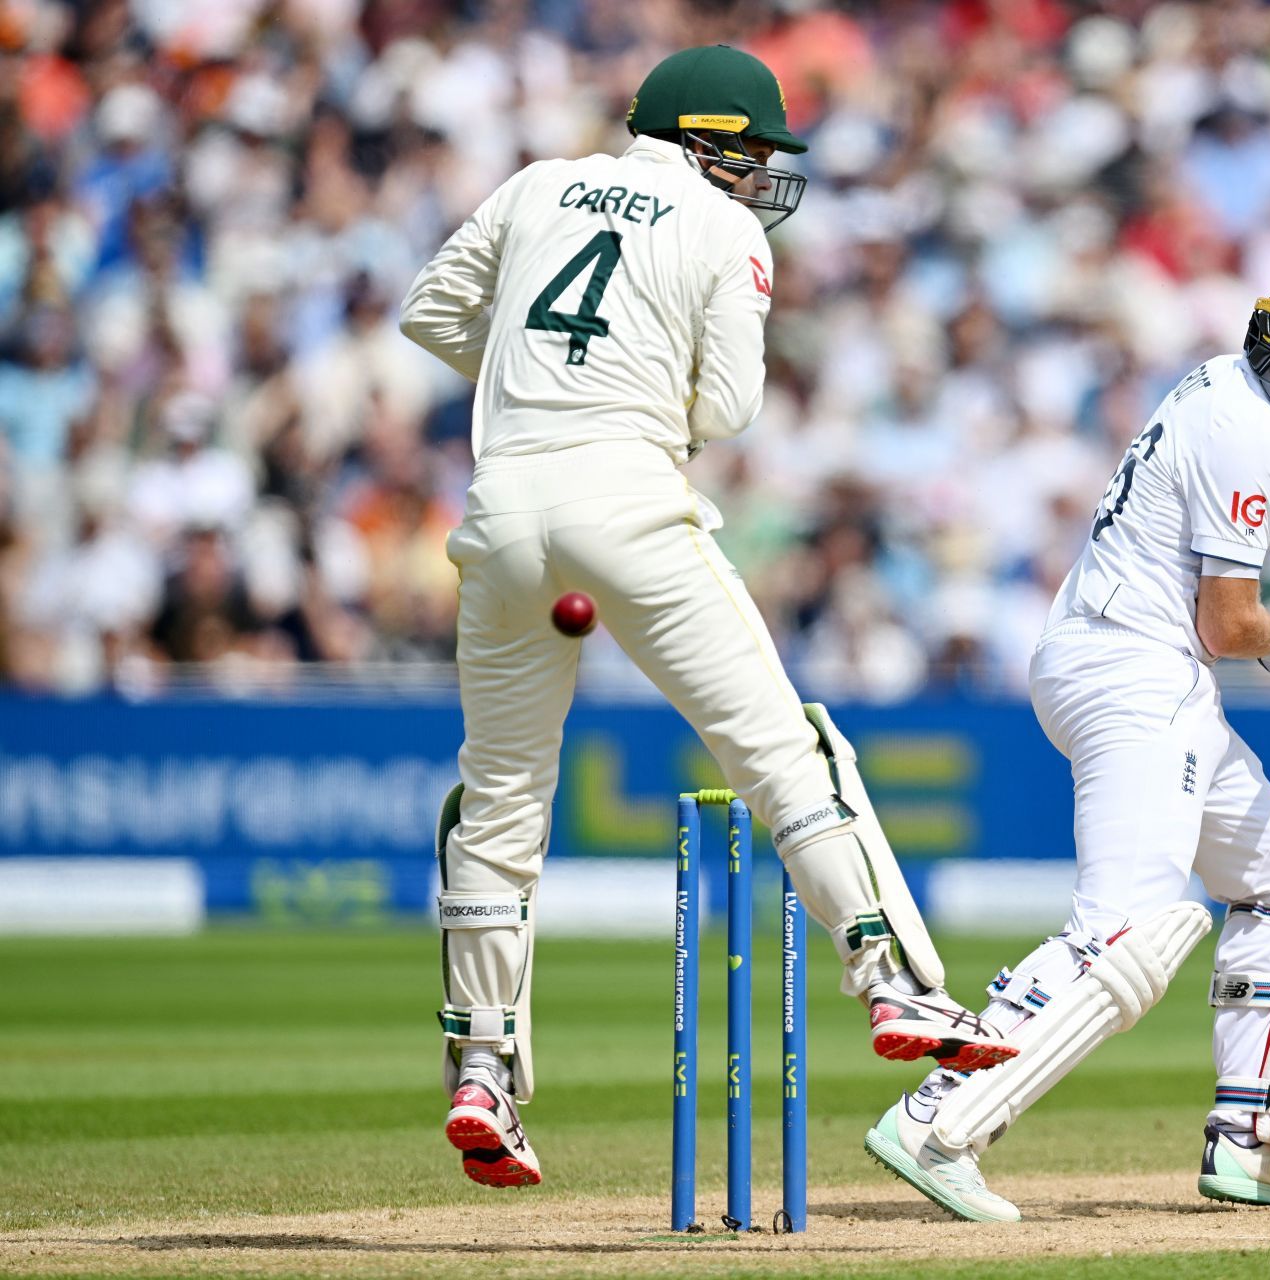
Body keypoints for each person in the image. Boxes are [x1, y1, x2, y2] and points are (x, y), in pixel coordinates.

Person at [399, 44, 1016, 1190]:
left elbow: (430, 311)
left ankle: (483, 1069)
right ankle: (891, 979)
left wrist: (545, 374)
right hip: (628, 497)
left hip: (502, 506)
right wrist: (628, 385)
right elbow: (727, 407)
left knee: (499, 798)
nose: (763, 176)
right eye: (755, 152)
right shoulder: (726, 230)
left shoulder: (537, 182)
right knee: (783, 747)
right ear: (707, 139)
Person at [863, 256, 1270, 1221]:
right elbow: (1228, 626)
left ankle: (1251, 1143)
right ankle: (940, 1114)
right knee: (1128, 931)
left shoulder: (1228, 387)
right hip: (1136, 672)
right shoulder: (1243, 421)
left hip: (1127, 665)